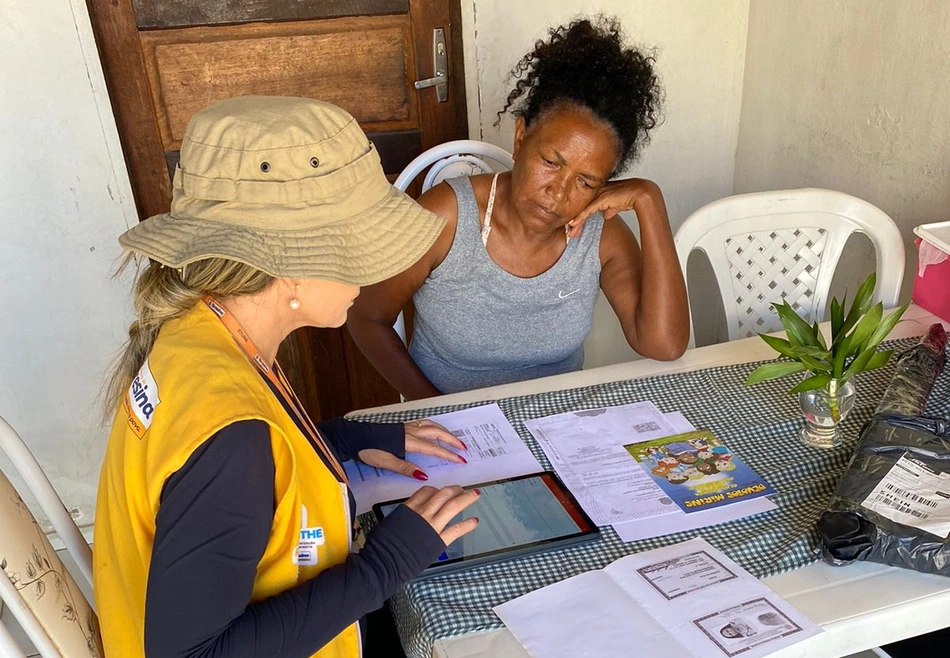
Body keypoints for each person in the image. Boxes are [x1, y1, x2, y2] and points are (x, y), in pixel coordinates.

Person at [93, 96, 481, 658]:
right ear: (288, 264)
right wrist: (386, 564)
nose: (377, 272)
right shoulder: (232, 440)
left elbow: (237, 480)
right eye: (357, 250)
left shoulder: (198, 329)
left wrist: (343, 439)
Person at [347, 17, 690, 400]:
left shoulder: (599, 233)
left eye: (586, 181)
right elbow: (367, 317)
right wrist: (437, 410)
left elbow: (664, 345)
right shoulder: (448, 216)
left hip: (558, 424)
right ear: (521, 137)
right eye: (551, 162)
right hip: (454, 432)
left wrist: (649, 201)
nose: (558, 193)